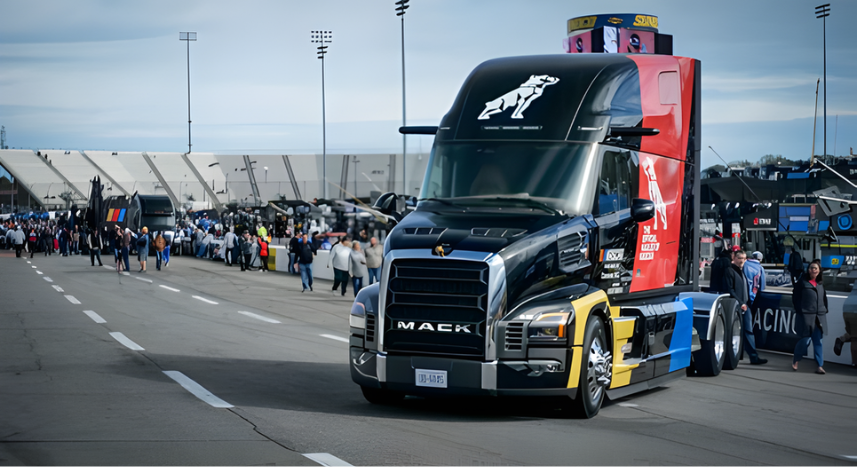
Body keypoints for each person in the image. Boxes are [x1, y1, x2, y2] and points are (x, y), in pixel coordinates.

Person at [723, 249, 767, 365]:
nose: (742, 260)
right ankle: (748, 355)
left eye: (743, 258)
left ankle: (752, 356)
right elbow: (730, 289)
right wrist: (740, 302)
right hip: (737, 305)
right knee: (743, 330)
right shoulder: (730, 270)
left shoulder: (742, 271)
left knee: (747, 330)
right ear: (734, 258)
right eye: (739, 258)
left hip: (745, 304)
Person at [792, 261, 829, 374]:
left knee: (818, 341)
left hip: (819, 316)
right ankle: (796, 359)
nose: (814, 270)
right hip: (806, 316)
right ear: (808, 270)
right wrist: (801, 311)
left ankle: (819, 365)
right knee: (805, 340)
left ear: (819, 270)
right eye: (812, 268)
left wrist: (824, 309)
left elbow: (824, 298)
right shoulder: (802, 282)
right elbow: (795, 298)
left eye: (816, 268)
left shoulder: (820, 283)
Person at [834, 282, 856, 367]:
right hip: (855, 310)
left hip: (848, 308)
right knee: (855, 338)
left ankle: (842, 339)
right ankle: (855, 362)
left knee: (854, 334)